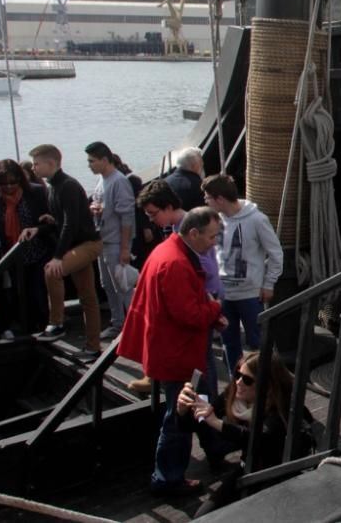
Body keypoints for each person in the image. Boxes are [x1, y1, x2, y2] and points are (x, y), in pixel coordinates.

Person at [117, 206, 228, 496]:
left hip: (175, 347)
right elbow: (189, 314)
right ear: (194, 233)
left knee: (199, 401)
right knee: (177, 417)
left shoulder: (168, 250)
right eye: (211, 237)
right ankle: (166, 479)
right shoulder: (177, 264)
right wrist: (215, 307)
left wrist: (211, 314)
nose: (213, 243)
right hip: (178, 353)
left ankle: (216, 450)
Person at [175, 351, 314, 515]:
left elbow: (259, 439)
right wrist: (182, 412)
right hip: (249, 468)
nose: (239, 381)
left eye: (247, 379)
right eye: (237, 374)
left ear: (267, 385)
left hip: (281, 474)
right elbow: (195, 424)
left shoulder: (282, 407)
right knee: (204, 516)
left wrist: (217, 423)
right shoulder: (235, 393)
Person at [133, 179, 225, 396]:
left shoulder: (188, 236)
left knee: (203, 362)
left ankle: (207, 403)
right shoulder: (181, 236)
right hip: (204, 305)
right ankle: (206, 404)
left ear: (167, 207)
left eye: (153, 213)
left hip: (203, 303)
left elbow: (206, 270)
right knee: (203, 362)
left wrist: (212, 307)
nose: (151, 219)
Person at [20, 144, 104, 360]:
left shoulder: (67, 185)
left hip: (88, 244)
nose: (34, 168)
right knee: (88, 297)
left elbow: (71, 224)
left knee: (51, 271)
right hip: (77, 244)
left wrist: (58, 257)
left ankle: (56, 323)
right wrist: (39, 228)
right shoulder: (53, 187)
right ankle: (94, 347)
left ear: (51, 163)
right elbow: (62, 221)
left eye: (37, 164)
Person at [202, 174, 284, 376]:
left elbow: (275, 253)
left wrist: (268, 284)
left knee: (258, 344)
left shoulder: (257, 220)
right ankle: (236, 383)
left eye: (208, 198)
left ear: (219, 199)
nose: (205, 202)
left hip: (249, 295)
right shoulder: (215, 221)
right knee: (229, 343)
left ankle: (264, 382)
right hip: (223, 296)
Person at [0, 159, 51, 337]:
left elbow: (49, 222)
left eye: (13, 182)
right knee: (15, 293)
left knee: (37, 291)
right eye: (4, 183)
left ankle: (43, 326)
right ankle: (21, 326)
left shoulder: (36, 193)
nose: (9, 187)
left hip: (35, 251)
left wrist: (37, 229)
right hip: (8, 255)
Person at [84, 141, 137, 340]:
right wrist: (96, 209)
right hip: (104, 241)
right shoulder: (102, 180)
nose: (89, 165)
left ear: (104, 160)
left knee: (122, 286)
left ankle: (135, 326)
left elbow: (127, 216)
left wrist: (125, 248)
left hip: (116, 242)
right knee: (107, 284)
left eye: (92, 161)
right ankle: (118, 324)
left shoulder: (119, 181)